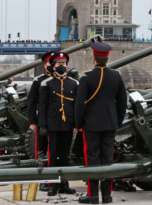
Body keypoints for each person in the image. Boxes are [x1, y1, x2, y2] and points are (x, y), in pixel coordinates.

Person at [75, 42, 127, 204]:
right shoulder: (116, 76)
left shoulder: (86, 77)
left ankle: (93, 195)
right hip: (110, 123)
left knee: (92, 159)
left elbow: (79, 104)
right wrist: (117, 121)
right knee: (107, 159)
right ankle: (107, 195)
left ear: (94, 57)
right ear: (107, 57)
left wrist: (79, 123)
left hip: (91, 124)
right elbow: (122, 102)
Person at [39, 52, 77, 196]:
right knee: (53, 156)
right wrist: (42, 125)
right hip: (53, 125)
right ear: (53, 66)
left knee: (65, 156)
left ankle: (64, 184)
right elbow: (42, 106)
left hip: (67, 125)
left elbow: (76, 107)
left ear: (67, 65)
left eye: (63, 64)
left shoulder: (74, 83)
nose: (62, 66)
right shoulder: (46, 84)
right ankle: (52, 185)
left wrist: (76, 125)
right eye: (58, 64)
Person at [27, 51, 55, 192]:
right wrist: (32, 122)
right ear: (45, 65)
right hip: (42, 120)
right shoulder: (38, 81)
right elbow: (31, 103)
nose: (52, 65)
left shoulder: (62, 80)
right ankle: (44, 180)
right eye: (50, 62)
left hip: (57, 120)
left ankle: (60, 180)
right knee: (42, 152)